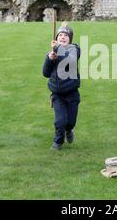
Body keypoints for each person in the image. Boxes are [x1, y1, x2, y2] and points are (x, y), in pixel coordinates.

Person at [43, 22, 81, 151]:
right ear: (57, 38)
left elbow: (70, 60)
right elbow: (46, 73)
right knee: (60, 121)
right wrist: (49, 59)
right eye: (60, 35)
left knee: (70, 122)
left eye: (66, 35)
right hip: (58, 95)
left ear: (70, 39)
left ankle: (69, 131)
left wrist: (58, 49)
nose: (63, 37)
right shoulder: (53, 52)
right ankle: (58, 141)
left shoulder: (74, 49)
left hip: (72, 93)